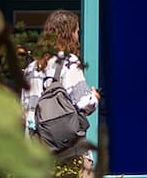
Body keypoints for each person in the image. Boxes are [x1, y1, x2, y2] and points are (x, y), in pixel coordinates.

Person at [23, 10, 101, 177]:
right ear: (70, 33)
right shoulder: (68, 62)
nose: (78, 36)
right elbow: (84, 103)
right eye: (77, 31)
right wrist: (94, 96)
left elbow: (25, 108)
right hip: (68, 154)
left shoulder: (31, 68)